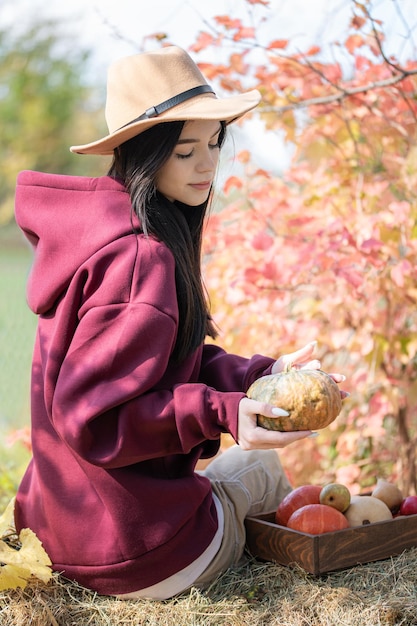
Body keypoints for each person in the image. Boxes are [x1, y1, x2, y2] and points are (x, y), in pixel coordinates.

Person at [14, 46, 346, 600]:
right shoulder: (142, 257)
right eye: (184, 150)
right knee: (262, 472)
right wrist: (223, 411)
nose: (208, 165)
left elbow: (159, 361)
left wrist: (261, 374)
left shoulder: (96, 241)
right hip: (137, 557)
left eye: (214, 143)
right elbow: (91, 416)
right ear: (144, 154)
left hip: (59, 538)